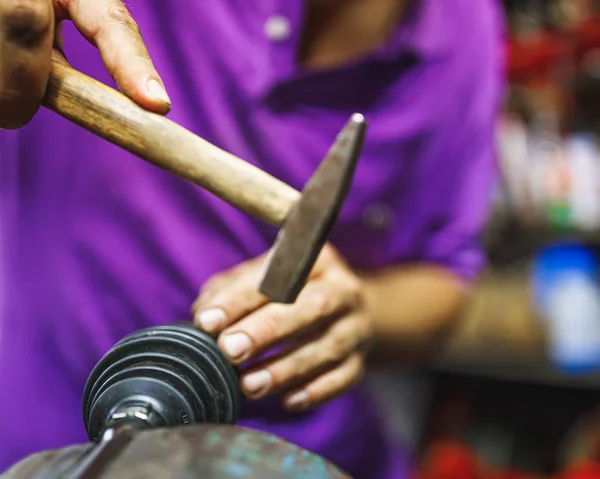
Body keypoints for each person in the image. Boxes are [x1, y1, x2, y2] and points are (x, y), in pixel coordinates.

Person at [0, 0, 505, 477]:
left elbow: (446, 277)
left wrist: (362, 308)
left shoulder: (462, 26)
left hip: (300, 452)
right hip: (51, 428)